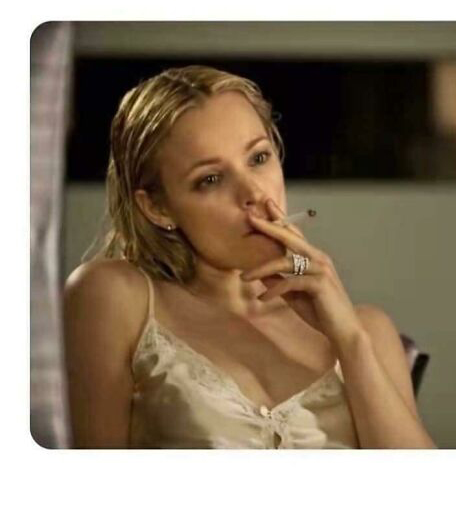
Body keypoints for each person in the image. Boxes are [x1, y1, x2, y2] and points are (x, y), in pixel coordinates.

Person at [63, 65, 436, 449]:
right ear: (158, 208)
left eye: (258, 158)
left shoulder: (369, 330)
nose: (255, 193)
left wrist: (350, 340)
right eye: (210, 179)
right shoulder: (113, 297)